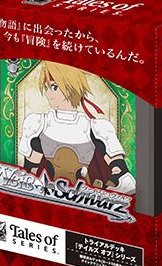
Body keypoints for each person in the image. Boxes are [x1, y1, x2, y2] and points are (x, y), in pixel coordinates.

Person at [17, 61, 136, 195]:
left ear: (70, 87)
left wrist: (100, 197)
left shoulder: (97, 128)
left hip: (84, 198)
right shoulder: (38, 123)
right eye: (46, 88)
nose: (47, 94)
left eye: (54, 87)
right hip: (49, 195)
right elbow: (29, 174)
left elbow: (124, 179)